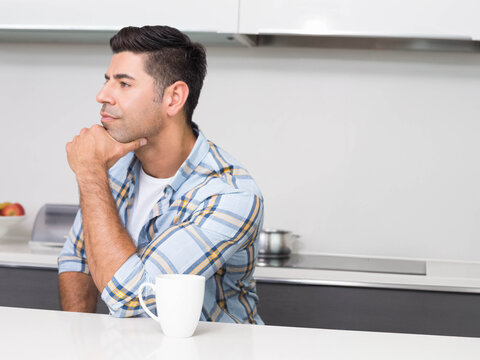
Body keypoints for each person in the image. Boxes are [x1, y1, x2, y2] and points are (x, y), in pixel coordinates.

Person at [58, 25, 264, 324]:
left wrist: (90, 172)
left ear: (174, 98)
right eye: (107, 81)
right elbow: (77, 260)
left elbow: (132, 299)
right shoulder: (113, 168)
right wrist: (78, 339)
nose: (102, 95)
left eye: (124, 84)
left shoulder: (229, 195)